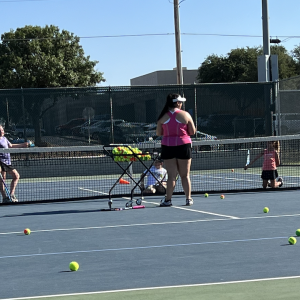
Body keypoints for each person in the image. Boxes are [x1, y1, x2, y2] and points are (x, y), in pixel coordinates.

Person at [156, 93, 196, 206]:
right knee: (185, 175)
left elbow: (159, 133)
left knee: (171, 176)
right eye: (180, 102)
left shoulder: (162, 117)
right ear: (177, 103)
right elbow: (192, 131)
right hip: (184, 145)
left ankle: (168, 200)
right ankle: (188, 199)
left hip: (168, 146)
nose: (182, 103)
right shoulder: (186, 115)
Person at [0, 125, 31, 203]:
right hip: (1, 162)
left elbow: (10, 146)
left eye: (2, 130)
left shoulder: (4, 139)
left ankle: (11, 194)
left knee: (16, 176)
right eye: (0, 130)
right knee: (2, 179)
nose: (2, 131)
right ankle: (4, 198)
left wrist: (23, 145)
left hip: (7, 162)